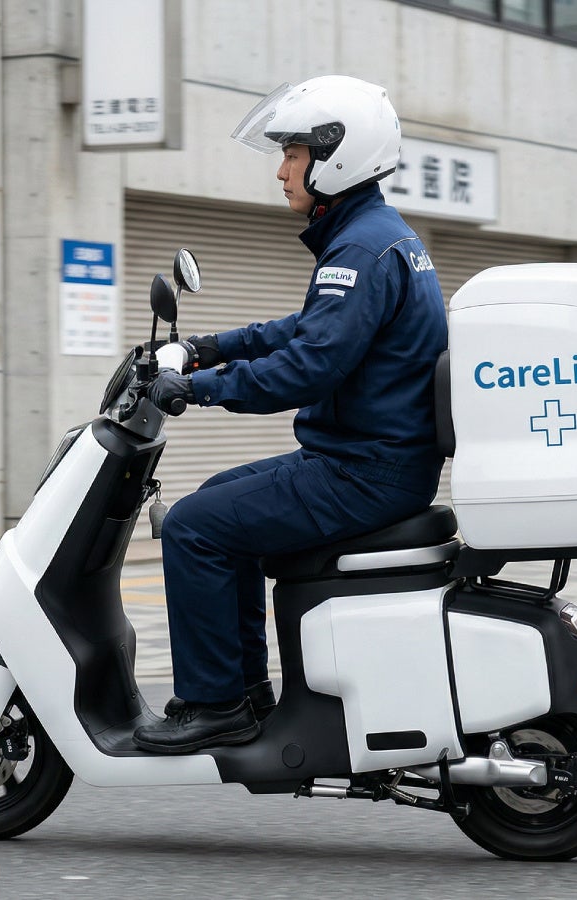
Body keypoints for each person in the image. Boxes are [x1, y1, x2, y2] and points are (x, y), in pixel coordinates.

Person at [133, 75, 448, 754]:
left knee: (192, 526)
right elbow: (305, 329)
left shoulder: (360, 249)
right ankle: (245, 692)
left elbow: (309, 367)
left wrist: (198, 389)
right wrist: (208, 348)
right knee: (216, 500)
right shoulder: (373, 236)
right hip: (373, 460)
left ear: (337, 155)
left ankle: (214, 705)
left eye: (294, 154)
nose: (281, 171)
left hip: (364, 472)